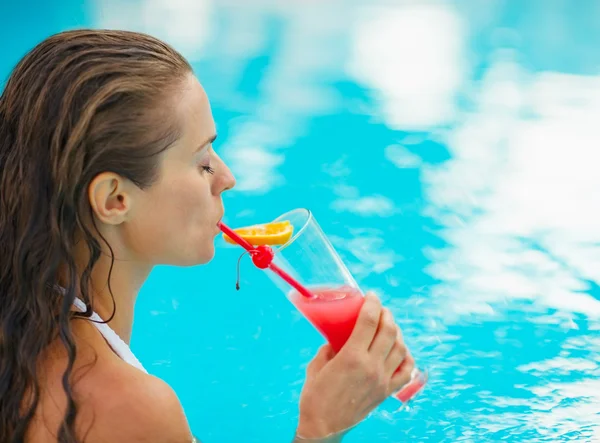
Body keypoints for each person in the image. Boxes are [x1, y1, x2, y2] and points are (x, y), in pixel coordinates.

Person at [0, 29, 415, 443]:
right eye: (202, 162)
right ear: (115, 198)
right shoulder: (130, 407)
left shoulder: (22, 328)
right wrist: (322, 428)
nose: (227, 178)